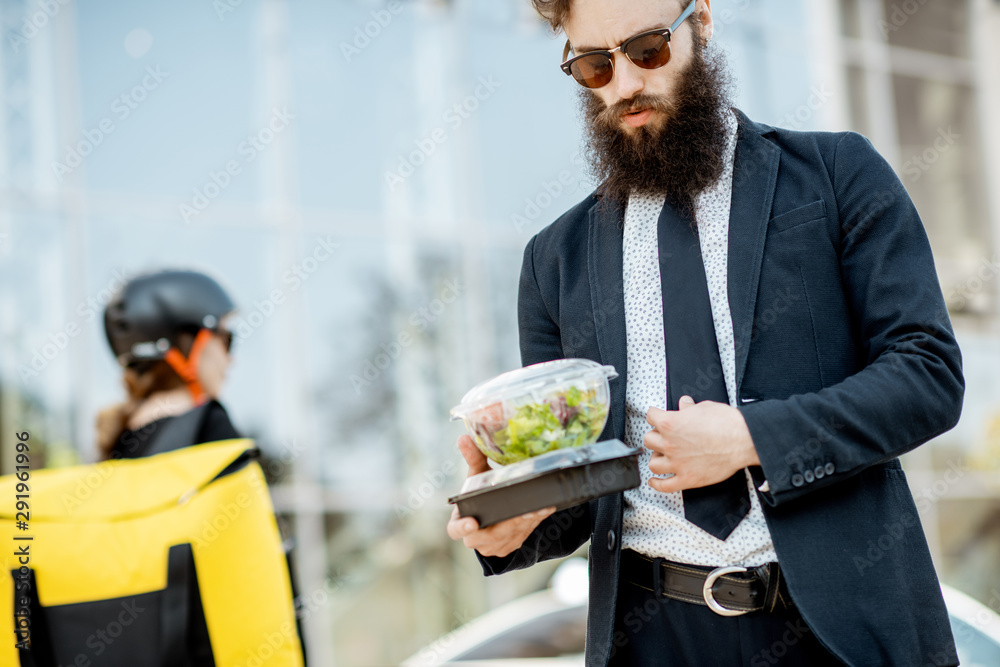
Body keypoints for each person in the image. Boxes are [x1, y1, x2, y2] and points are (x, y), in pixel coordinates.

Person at [447, 1, 965, 665]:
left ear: (704, 20)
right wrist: (518, 524)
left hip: (838, 634)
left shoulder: (838, 177)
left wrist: (751, 439)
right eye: (595, 66)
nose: (625, 83)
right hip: (652, 637)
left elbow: (927, 374)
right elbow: (580, 483)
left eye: (647, 50)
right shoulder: (554, 261)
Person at [96, 268, 241, 459]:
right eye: (226, 339)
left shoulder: (117, 444)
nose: (230, 359)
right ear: (189, 344)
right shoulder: (210, 426)